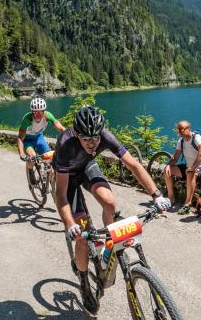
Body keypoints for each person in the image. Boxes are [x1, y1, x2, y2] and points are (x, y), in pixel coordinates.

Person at [54, 106, 170, 315]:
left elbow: (133, 165)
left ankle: (111, 243)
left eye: (96, 138)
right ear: (76, 134)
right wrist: (70, 224)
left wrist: (156, 194)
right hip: (68, 179)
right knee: (81, 235)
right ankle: (83, 280)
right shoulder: (65, 143)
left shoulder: (104, 136)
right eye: (87, 139)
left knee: (110, 204)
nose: (93, 143)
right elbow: (60, 194)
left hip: (87, 167)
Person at [163, 120, 201, 214]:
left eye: (182, 129)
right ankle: (171, 198)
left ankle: (187, 204)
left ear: (188, 129)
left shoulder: (197, 138)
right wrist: (169, 165)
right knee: (167, 170)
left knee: (190, 172)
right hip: (190, 167)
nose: (180, 131)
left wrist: (193, 167)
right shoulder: (181, 141)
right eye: (178, 129)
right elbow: (176, 157)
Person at [17, 97, 65, 184]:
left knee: (49, 157)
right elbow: (20, 137)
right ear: (32, 112)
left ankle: (51, 182)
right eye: (35, 112)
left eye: (40, 111)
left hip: (39, 137)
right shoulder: (27, 119)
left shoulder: (47, 116)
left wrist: (70, 136)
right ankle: (31, 171)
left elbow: (60, 127)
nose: (38, 114)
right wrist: (21, 153)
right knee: (32, 156)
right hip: (28, 140)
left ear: (44, 111)